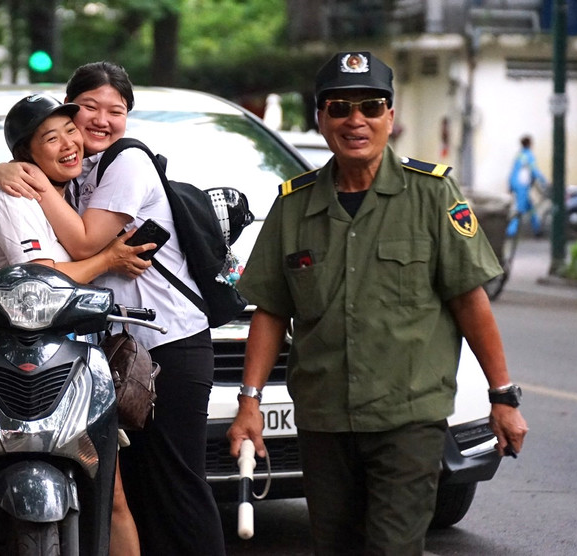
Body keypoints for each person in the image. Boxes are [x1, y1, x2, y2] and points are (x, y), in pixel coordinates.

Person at [226, 51, 528, 555]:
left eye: (370, 106)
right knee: (334, 546)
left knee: (392, 547)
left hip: (406, 418)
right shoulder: (293, 205)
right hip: (324, 420)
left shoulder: (432, 194)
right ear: (322, 119)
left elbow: (469, 299)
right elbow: (271, 311)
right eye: (340, 107)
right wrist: (249, 403)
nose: (356, 120)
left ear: (391, 115)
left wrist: (503, 396)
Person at [0, 61, 227, 556]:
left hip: (170, 344)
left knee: (178, 485)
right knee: (135, 487)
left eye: (116, 110)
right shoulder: (79, 172)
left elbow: (84, 243)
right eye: (88, 108)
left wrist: (37, 178)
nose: (100, 120)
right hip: (121, 350)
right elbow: (3, 215)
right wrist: (2, 172)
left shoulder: (125, 164)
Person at [0, 94, 152, 556]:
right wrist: (108, 259)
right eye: (52, 137)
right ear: (26, 155)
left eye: (72, 131)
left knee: (111, 496)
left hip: (73, 357)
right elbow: (42, 276)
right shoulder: (17, 195)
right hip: (1, 358)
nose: (69, 143)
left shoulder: (80, 189)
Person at [507, 134, 549, 237]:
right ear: (530, 144)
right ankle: (510, 231)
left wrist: (510, 186)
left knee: (530, 207)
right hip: (523, 185)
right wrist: (544, 181)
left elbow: (513, 171)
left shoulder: (519, 155)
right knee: (520, 209)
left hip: (516, 184)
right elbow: (534, 170)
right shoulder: (529, 155)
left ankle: (537, 229)